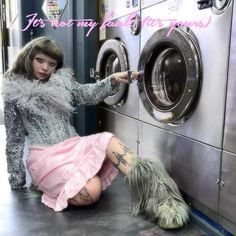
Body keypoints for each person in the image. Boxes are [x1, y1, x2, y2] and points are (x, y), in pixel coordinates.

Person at [2, 36, 190, 229]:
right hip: (46, 157)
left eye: (51, 64)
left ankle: (158, 194)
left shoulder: (61, 83)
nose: (45, 68)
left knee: (108, 139)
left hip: (73, 145)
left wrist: (112, 80)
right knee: (91, 191)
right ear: (28, 57)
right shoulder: (13, 93)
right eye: (39, 60)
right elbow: (14, 138)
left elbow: (86, 93)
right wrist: (16, 179)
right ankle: (59, 182)